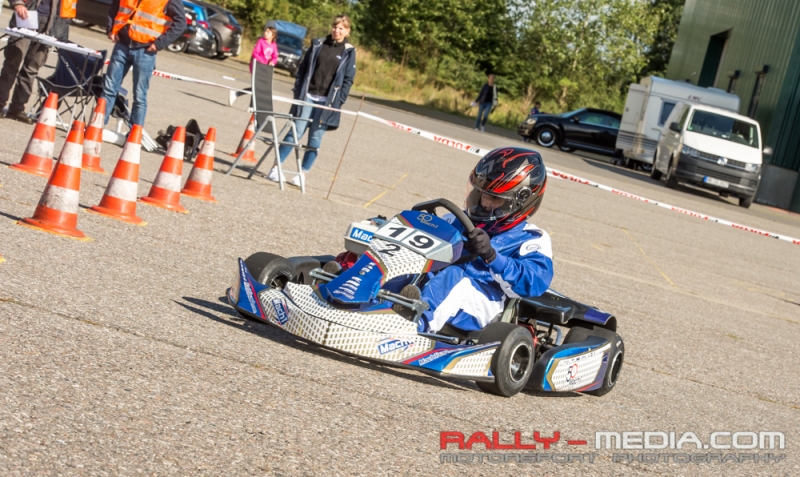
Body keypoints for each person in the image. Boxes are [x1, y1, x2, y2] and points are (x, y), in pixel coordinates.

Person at [417, 146, 553, 334]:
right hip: (438, 285)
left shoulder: (531, 238)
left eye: (495, 199)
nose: (485, 203)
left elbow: (533, 282)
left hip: (483, 300)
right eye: (483, 194)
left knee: (453, 276)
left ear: (520, 201)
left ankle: (411, 327)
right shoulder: (455, 220)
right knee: (411, 268)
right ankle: (378, 305)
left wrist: (492, 256)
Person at [268, 15, 357, 187]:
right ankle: (275, 168)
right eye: (335, 27)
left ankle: (302, 174)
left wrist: (340, 100)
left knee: (315, 138)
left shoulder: (349, 52)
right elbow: (302, 68)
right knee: (294, 132)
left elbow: (348, 79)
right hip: (308, 97)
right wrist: (298, 90)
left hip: (327, 102)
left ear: (347, 31)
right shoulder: (318, 44)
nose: (337, 31)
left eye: (341, 28)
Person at [100, 0, 185, 127]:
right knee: (108, 89)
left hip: (145, 51)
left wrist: (159, 44)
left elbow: (180, 23)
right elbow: (115, 6)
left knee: (139, 96)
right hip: (122, 45)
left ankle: (134, 133)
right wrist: (110, 28)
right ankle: (97, 127)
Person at [0, 0, 73, 124]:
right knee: (12, 65)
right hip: (26, 16)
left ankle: (17, 109)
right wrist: (17, 3)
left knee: (31, 69)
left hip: (49, 24)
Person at [228, 25, 278, 106]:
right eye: (265, 31)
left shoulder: (274, 45)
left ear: (273, 35)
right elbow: (255, 53)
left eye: (268, 32)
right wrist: (263, 62)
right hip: (256, 66)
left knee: (258, 88)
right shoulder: (261, 41)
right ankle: (246, 102)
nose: (265, 33)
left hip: (265, 68)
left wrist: (272, 61)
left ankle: (240, 97)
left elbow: (275, 56)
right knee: (256, 87)